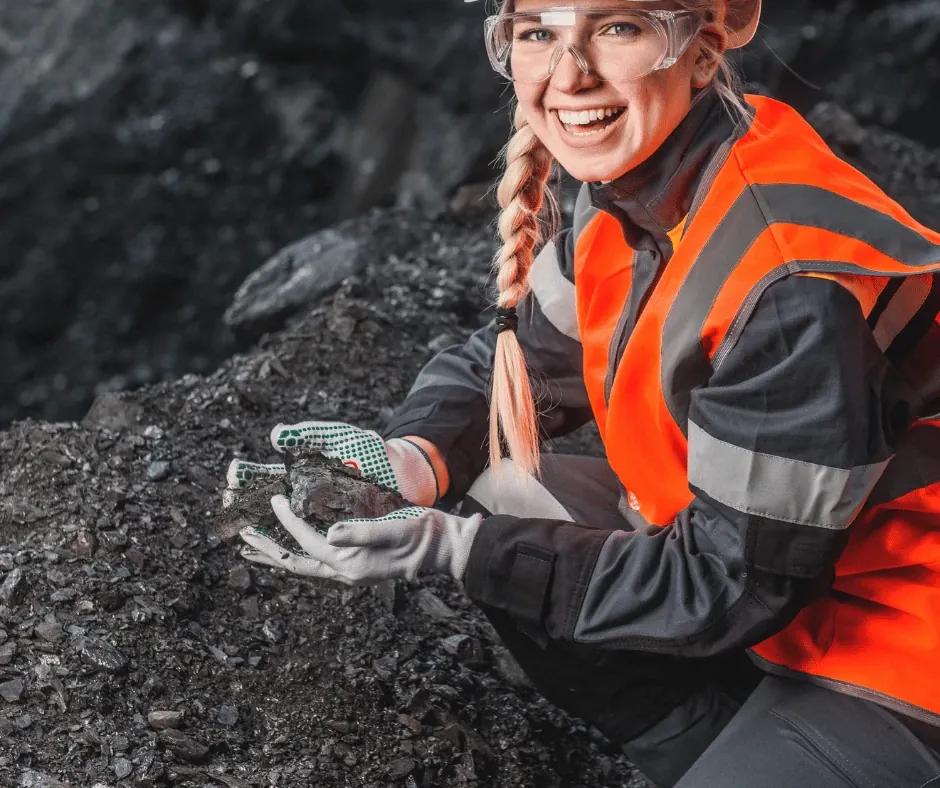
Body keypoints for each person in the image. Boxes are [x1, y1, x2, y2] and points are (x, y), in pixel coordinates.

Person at [229, 1, 940, 785]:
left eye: (617, 28)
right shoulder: (650, 191)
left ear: (701, 53)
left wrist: (456, 551)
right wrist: (415, 458)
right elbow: (521, 363)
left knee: (500, 544)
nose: (571, 74)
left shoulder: (790, 283)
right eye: (539, 33)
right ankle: (703, 749)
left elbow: (728, 583)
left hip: (901, 643)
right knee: (510, 497)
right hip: (792, 589)